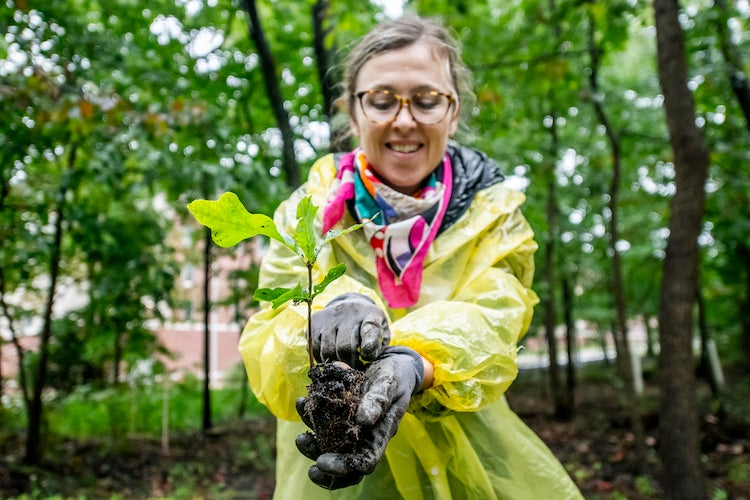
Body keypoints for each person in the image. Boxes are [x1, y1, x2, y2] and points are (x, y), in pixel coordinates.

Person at [239, 16, 583, 499]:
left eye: (426, 100)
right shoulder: (308, 213)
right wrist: (321, 323)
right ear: (352, 113)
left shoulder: (495, 215)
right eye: (382, 101)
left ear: (453, 112)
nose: (404, 120)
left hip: (476, 473)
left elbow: (498, 317)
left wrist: (417, 362)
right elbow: (267, 343)